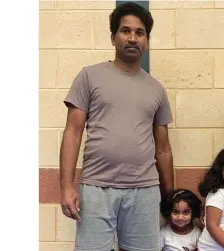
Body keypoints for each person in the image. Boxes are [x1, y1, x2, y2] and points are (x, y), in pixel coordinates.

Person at [59, 2, 174, 251]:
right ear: (113, 37)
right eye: (125, 31)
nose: (132, 38)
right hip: (96, 188)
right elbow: (73, 132)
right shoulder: (89, 76)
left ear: (146, 40)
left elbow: (163, 149)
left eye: (140, 32)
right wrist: (66, 187)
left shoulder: (157, 89)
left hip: (144, 191)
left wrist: (169, 195)